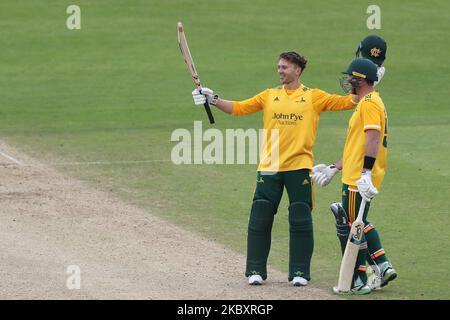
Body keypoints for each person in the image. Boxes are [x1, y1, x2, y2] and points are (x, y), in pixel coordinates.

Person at [192, 51, 359, 286]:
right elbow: (239, 108)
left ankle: (300, 272)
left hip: (299, 166)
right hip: (269, 166)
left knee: (300, 217)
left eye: (285, 67)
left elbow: (348, 103)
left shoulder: (314, 97)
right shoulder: (269, 96)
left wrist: (364, 85)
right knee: (260, 215)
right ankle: (255, 270)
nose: (280, 70)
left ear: (298, 71)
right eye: (279, 67)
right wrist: (213, 99)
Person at [314, 35, 395, 291]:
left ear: (360, 80)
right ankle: (380, 267)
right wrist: (334, 167)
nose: (348, 81)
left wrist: (366, 173)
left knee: (352, 225)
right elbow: (356, 146)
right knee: (354, 222)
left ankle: (359, 280)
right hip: (353, 172)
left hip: (358, 177)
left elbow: (372, 139)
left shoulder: (369, 104)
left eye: (351, 78)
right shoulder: (368, 102)